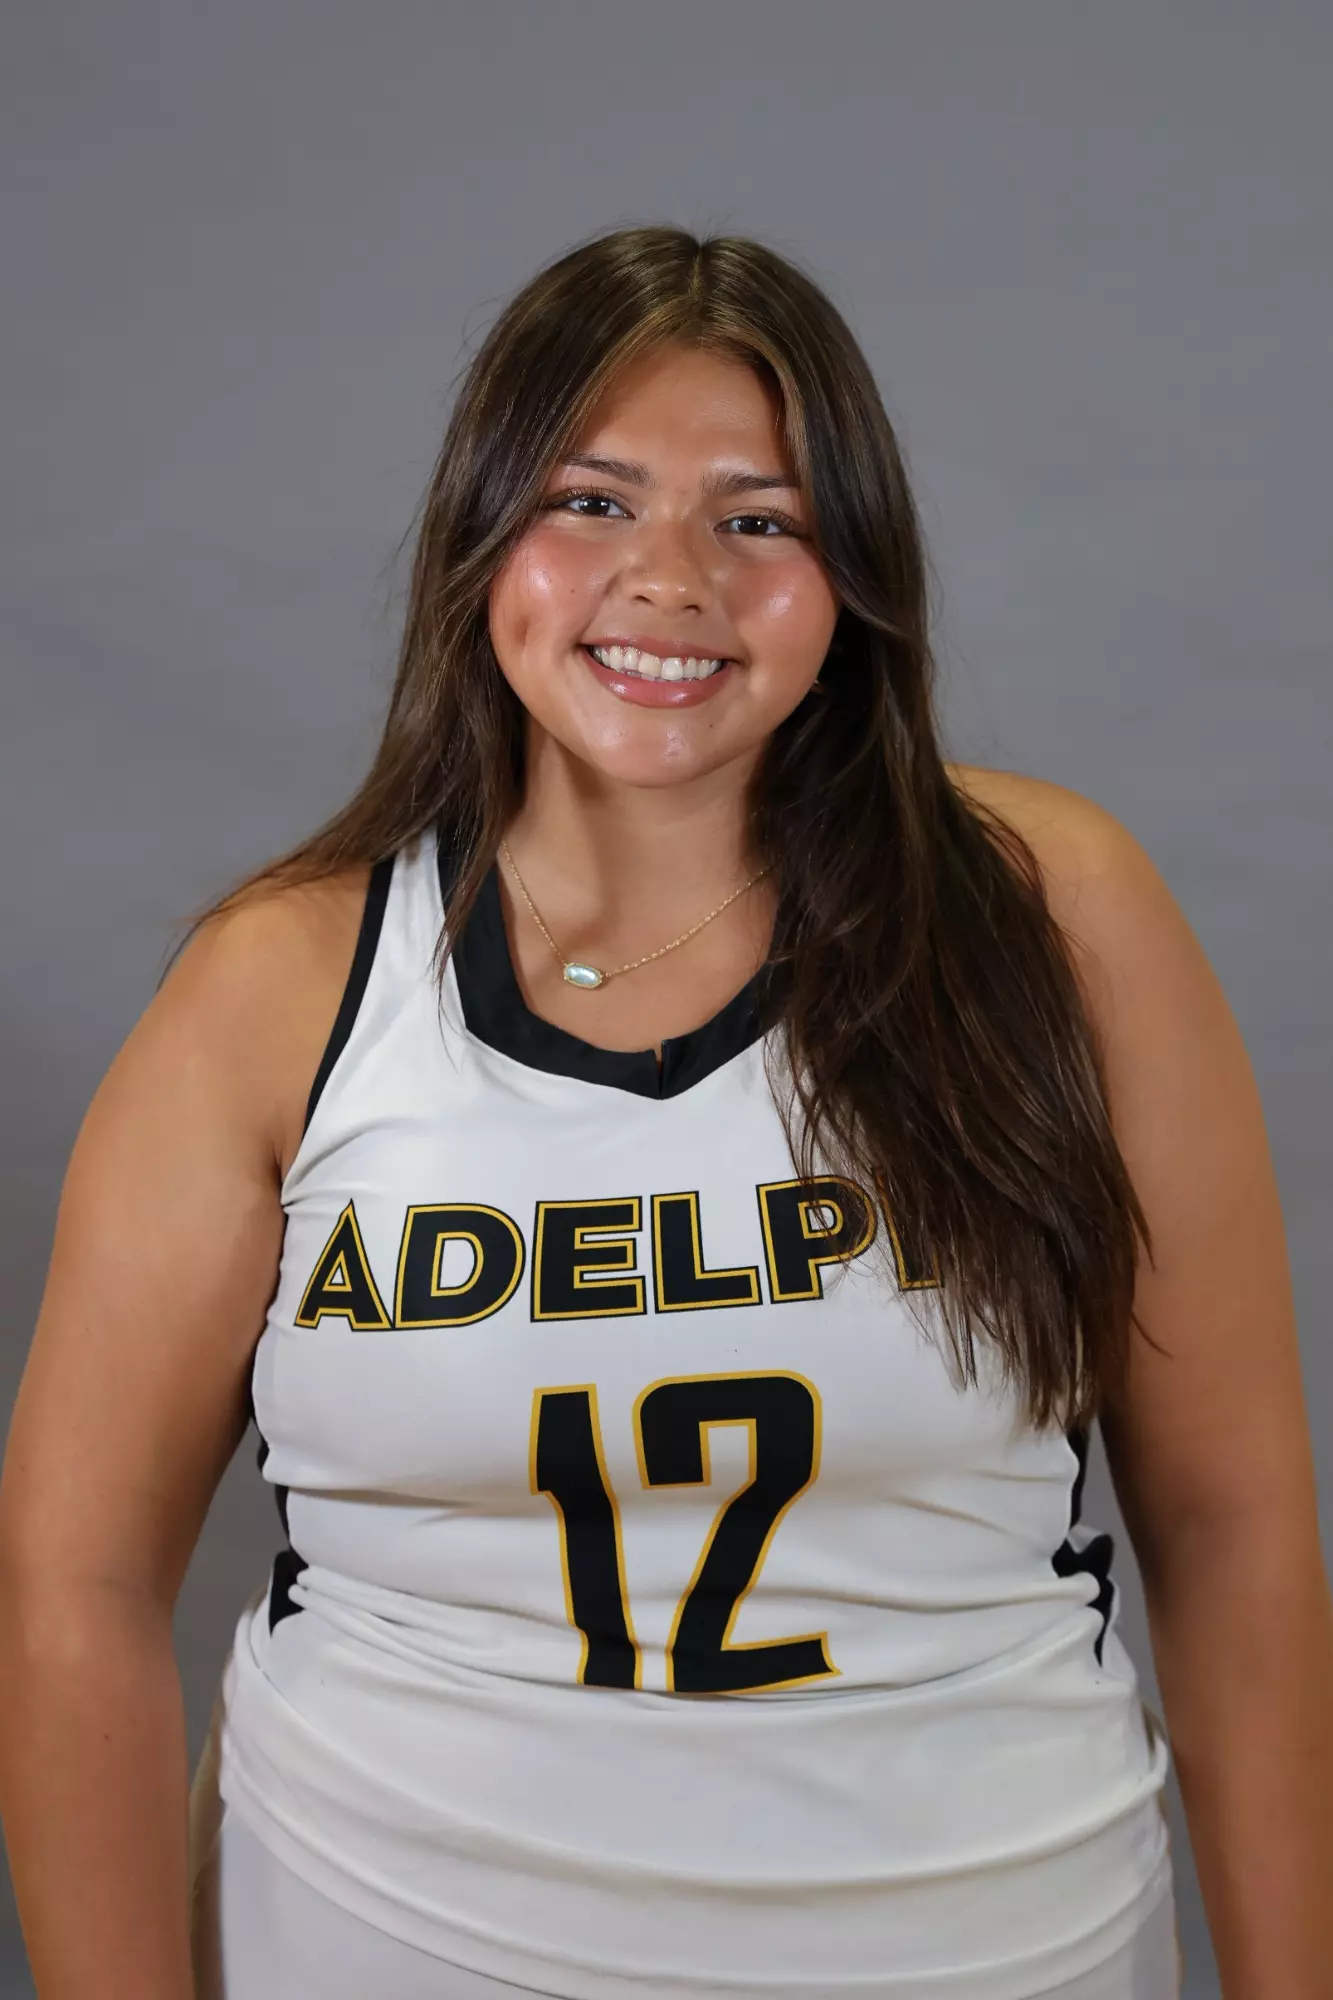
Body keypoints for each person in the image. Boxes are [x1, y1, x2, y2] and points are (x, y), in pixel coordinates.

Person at [3, 223, 1322, 1999]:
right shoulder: (285, 985)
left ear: (853, 568)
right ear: (485, 541)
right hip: (379, 1945)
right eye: (593, 501)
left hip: (1003, 1948)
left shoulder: (1054, 916)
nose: (673, 578)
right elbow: (72, 1586)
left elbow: (1236, 1529)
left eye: (758, 518)